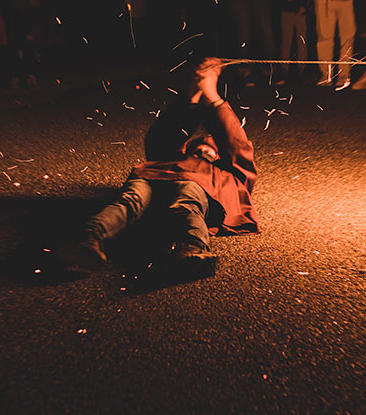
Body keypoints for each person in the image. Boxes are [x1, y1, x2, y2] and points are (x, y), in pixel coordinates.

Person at [54, 58, 258, 281]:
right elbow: (160, 141)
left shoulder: (221, 173)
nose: (204, 149)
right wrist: (192, 95)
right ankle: (89, 240)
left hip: (195, 185)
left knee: (187, 200)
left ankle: (191, 249)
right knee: (130, 200)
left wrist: (212, 95)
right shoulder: (173, 157)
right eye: (200, 146)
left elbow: (237, 146)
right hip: (155, 176)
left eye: (210, 148)